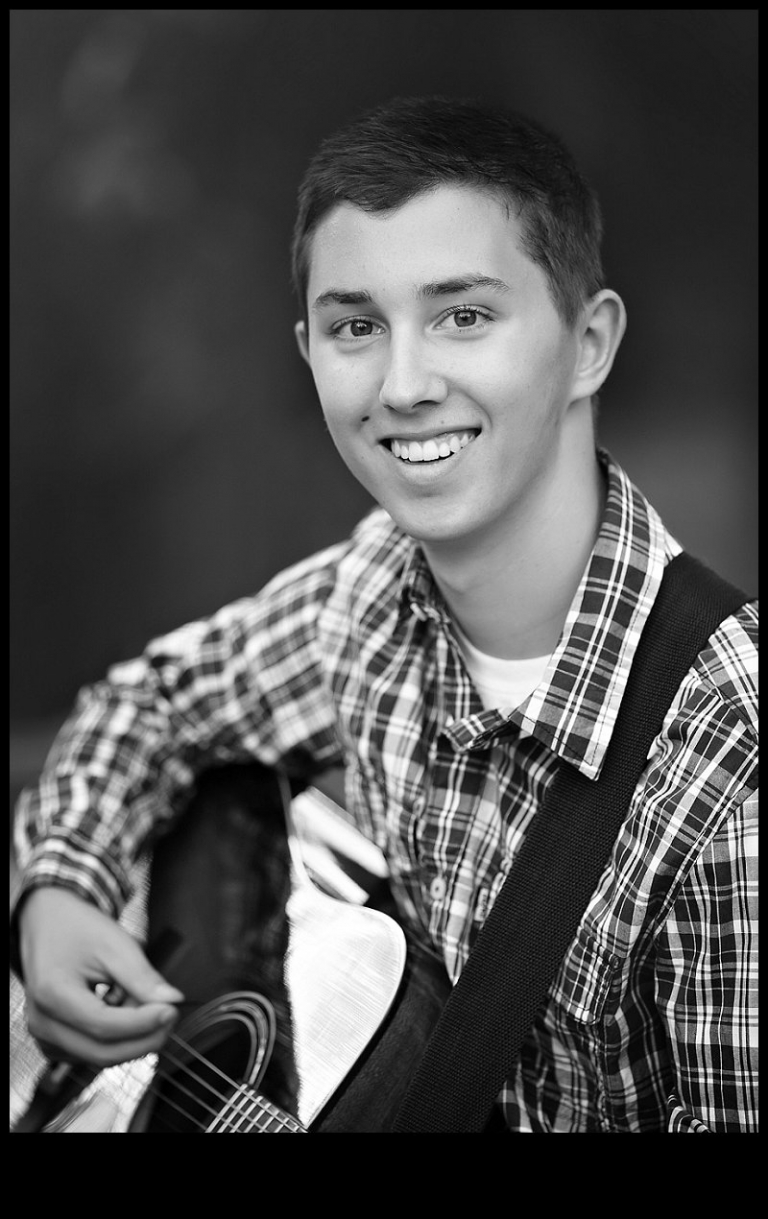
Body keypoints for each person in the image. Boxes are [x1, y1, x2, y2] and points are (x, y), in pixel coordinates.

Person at [11, 95, 757, 1133]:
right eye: (357, 326)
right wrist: (58, 894)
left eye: (464, 315)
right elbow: (156, 701)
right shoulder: (371, 591)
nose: (403, 385)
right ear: (310, 349)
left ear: (589, 343)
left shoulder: (730, 766)